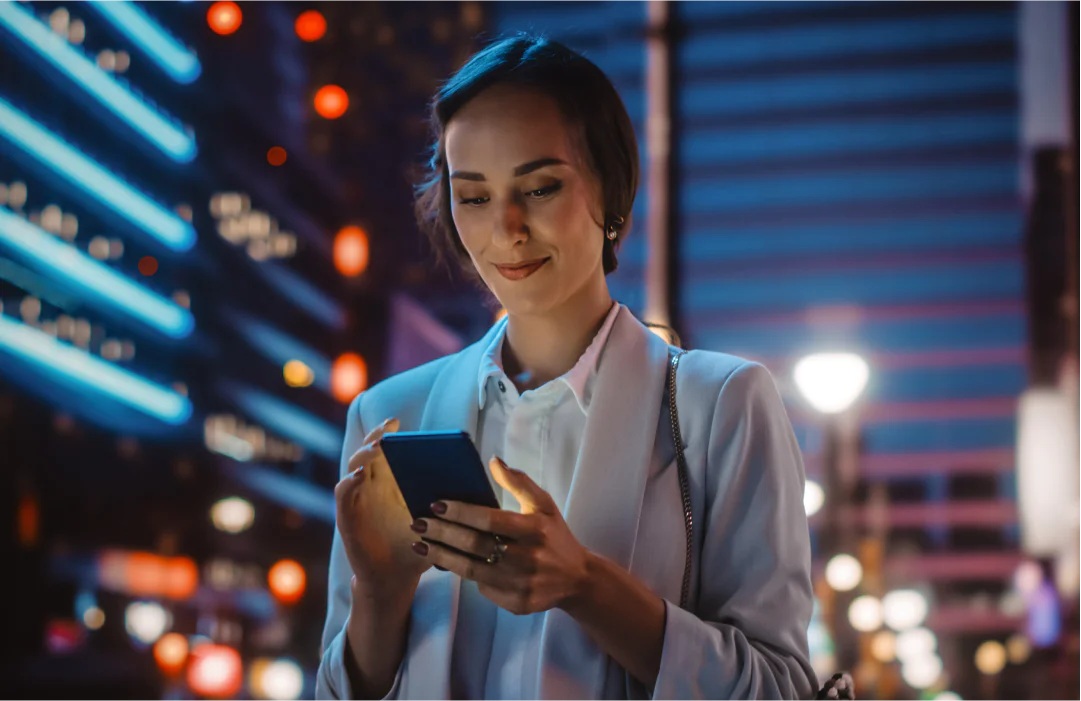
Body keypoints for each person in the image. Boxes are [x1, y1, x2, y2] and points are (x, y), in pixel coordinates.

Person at [317, 34, 818, 701]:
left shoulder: (720, 402)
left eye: (540, 186)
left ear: (611, 192)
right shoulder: (388, 414)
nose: (507, 227)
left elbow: (781, 688)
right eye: (473, 196)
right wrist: (379, 598)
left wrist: (585, 585)